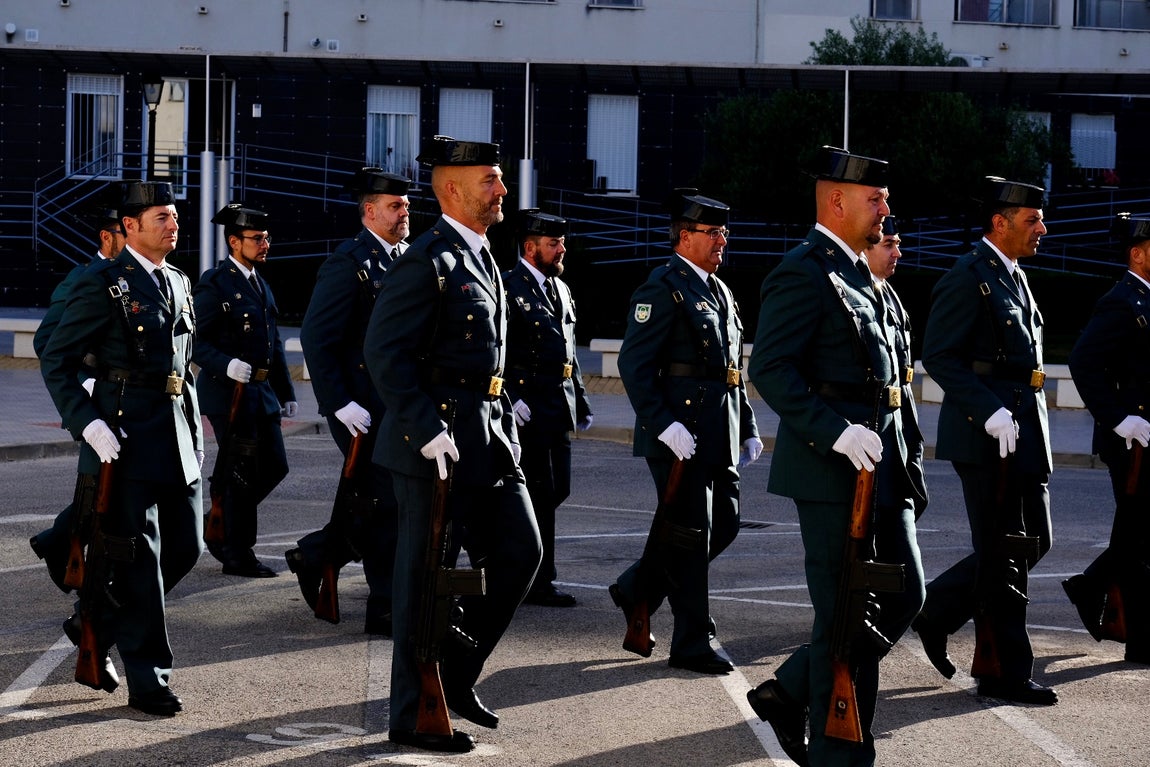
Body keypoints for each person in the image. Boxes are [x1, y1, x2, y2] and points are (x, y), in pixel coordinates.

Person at [746, 147, 926, 767]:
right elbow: (769, 367)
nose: (885, 208)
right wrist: (835, 431)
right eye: (875, 198)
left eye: (884, 198)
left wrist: (906, 459)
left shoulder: (859, 275)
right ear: (836, 201)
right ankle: (837, 747)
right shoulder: (804, 271)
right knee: (846, 608)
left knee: (904, 593)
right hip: (831, 474)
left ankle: (789, 690)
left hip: (880, 470)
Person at [363, 136, 542, 753]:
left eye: (499, 179)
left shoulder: (483, 256)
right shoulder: (427, 259)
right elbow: (384, 352)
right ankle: (413, 712)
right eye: (489, 180)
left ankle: (455, 674)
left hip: (488, 437)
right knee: (421, 579)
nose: (501, 190)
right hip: (433, 443)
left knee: (521, 552)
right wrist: (424, 427)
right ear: (450, 189)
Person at [39, 180, 203, 717]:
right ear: (129, 227)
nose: (173, 224)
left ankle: (95, 620)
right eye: (161, 216)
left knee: (187, 548)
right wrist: (87, 422)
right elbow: (57, 358)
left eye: (174, 216)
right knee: (140, 562)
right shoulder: (103, 283)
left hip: (175, 438)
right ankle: (149, 679)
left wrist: (196, 438)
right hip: (126, 442)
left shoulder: (179, 281)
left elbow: (182, 373)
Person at [912, 176, 1057, 705]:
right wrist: (988, 409)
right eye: (1032, 220)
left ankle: (939, 609)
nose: (1042, 228)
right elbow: (941, 357)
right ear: (1000, 222)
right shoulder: (969, 276)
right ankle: (1005, 672)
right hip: (987, 438)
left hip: (1022, 433)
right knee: (1004, 555)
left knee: (1034, 541)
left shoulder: (1012, 276)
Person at [608, 189, 762, 675]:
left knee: (726, 524)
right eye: (712, 232)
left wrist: (748, 425)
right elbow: (634, 365)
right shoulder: (663, 286)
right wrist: (663, 424)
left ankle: (638, 586)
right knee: (693, 538)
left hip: (718, 433)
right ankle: (693, 639)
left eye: (724, 232)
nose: (722, 241)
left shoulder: (718, 289)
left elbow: (730, 369)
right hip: (680, 436)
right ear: (684, 236)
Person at [285, 168, 409, 635]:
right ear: (370, 211)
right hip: (359, 408)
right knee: (384, 501)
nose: (404, 214)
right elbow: (318, 338)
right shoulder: (349, 262)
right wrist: (336, 402)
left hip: (395, 405)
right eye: (395, 207)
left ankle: (316, 554)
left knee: (380, 500)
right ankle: (383, 606)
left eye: (406, 207)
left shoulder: (405, 258)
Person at [1063, 213, 1150, 665]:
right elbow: (1083, 362)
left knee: (1137, 536)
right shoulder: (1121, 301)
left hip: (1147, 437)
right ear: (1137, 253)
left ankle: (1090, 587)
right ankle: (1138, 637)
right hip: (1132, 441)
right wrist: (1118, 420)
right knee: (1138, 541)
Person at [193, 203, 296, 578]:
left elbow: (275, 342)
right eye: (257, 238)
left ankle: (216, 518)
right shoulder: (216, 283)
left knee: (274, 467)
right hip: (228, 395)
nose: (265, 243)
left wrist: (286, 392)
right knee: (242, 473)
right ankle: (237, 553)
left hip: (260, 394)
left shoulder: (259, 283)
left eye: (267, 237)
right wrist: (225, 365)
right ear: (235, 242)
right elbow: (194, 340)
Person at [30, 202, 126, 591]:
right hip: (93, 403)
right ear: (107, 237)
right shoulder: (82, 279)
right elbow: (45, 342)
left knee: (116, 488)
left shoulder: (131, 278)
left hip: (125, 400)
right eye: (125, 230)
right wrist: (86, 381)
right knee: (96, 489)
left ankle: (60, 542)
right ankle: (60, 543)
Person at [503, 208, 592, 608]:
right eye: (553, 244)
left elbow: (568, 352)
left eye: (561, 243)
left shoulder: (561, 289)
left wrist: (583, 399)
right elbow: (496, 350)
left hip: (558, 406)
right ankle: (536, 579)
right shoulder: (509, 287)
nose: (561, 250)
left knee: (558, 489)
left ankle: (519, 566)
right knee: (537, 492)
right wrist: (510, 400)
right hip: (527, 406)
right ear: (530, 247)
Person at [863, 217, 929, 521]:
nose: (897, 253)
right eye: (889, 244)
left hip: (903, 429)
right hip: (876, 435)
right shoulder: (859, 293)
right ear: (866, 250)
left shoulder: (889, 295)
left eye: (898, 245)